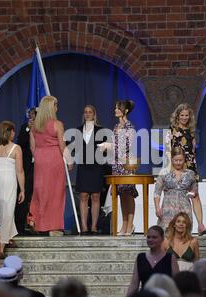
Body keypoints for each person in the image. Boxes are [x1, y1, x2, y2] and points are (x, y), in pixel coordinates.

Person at [28, 96, 73, 236]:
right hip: (54, 160)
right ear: (51, 107)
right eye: (55, 105)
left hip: (40, 160)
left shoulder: (35, 125)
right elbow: (62, 146)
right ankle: (53, 227)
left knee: (40, 191)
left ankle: (35, 221)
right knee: (55, 193)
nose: (57, 108)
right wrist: (70, 161)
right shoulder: (57, 124)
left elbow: (32, 147)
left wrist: (40, 156)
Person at [168, 104, 206, 235]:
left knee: (195, 196)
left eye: (186, 115)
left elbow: (193, 151)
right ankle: (177, 228)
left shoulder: (191, 131)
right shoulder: (172, 129)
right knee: (178, 197)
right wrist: (171, 168)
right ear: (177, 116)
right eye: (182, 115)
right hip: (178, 165)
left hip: (191, 166)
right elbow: (170, 150)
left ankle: (201, 225)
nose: (184, 118)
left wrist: (195, 168)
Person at [99, 100, 138, 236]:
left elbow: (127, 147)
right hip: (116, 165)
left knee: (128, 194)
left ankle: (130, 224)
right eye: (115, 107)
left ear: (125, 110)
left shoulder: (130, 128)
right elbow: (115, 145)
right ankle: (124, 223)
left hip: (126, 164)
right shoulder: (116, 127)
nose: (115, 110)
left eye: (118, 108)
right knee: (121, 195)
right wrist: (107, 146)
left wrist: (110, 146)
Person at [0, 121, 25, 253]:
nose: (14, 134)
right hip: (9, 183)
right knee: (7, 213)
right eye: (13, 131)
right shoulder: (16, 148)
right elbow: (20, 171)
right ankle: (1, 247)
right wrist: (23, 189)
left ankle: (7, 238)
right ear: (10, 132)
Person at [74, 105, 107, 235]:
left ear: (94, 114)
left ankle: (93, 226)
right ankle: (84, 226)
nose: (87, 114)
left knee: (95, 195)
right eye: (85, 112)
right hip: (83, 166)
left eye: (90, 112)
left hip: (97, 166)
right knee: (83, 195)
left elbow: (107, 149)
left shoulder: (101, 130)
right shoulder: (78, 130)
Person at [154, 147, 203, 232]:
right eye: (176, 160)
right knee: (168, 236)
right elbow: (157, 193)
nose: (178, 163)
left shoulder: (190, 174)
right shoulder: (164, 173)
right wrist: (157, 208)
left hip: (184, 210)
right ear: (171, 159)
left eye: (180, 160)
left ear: (184, 159)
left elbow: (196, 199)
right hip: (168, 211)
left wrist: (200, 223)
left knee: (184, 237)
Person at [126, 226, 179, 297]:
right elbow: (134, 284)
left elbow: (177, 281)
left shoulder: (170, 257)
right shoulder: (140, 257)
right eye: (148, 237)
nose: (150, 240)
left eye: (154, 237)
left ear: (162, 239)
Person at [15, 108, 37, 235]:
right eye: (30, 115)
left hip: (41, 166)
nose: (32, 117)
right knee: (25, 196)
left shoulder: (42, 128)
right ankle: (21, 226)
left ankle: (38, 224)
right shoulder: (25, 127)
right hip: (27, 167)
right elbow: (20, 144)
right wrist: (28, 130)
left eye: (34, 115)